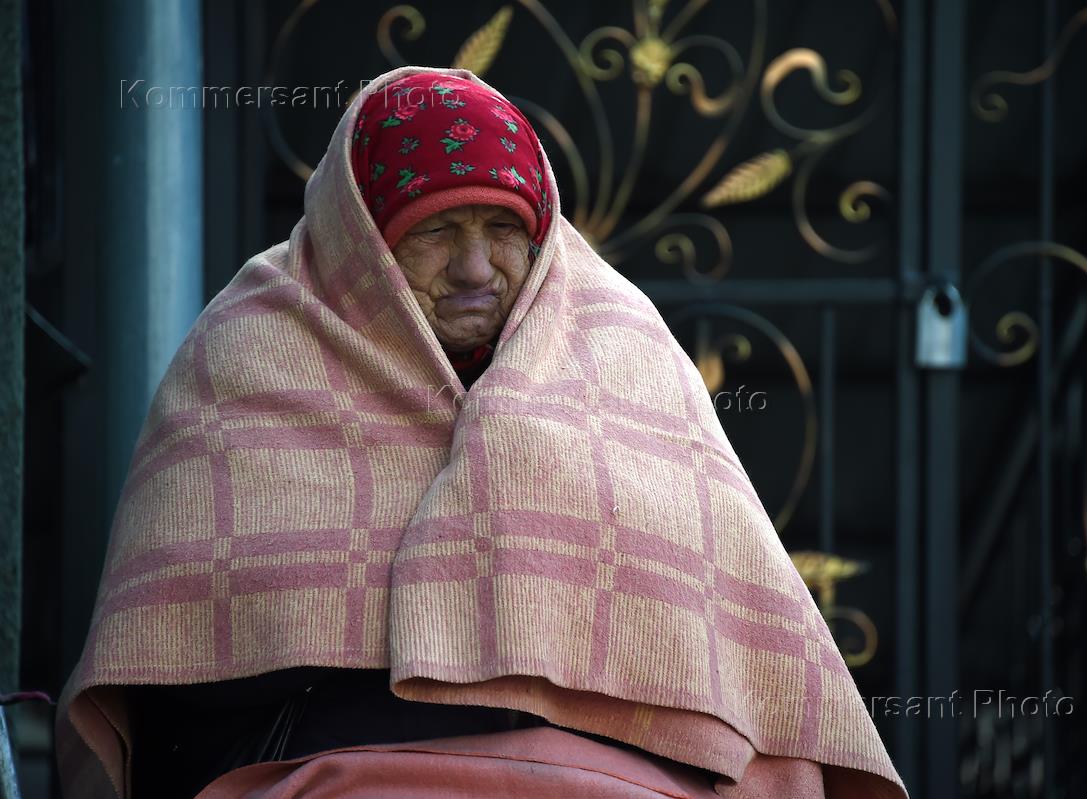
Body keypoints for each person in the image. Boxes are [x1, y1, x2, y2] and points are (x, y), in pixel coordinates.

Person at [56, 66, 907, 798]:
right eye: (435, 231)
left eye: (504, 230)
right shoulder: (251, 346)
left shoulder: (626, 350)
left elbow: (736, 661)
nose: (475, 269)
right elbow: (170, 681)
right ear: (363, 239)